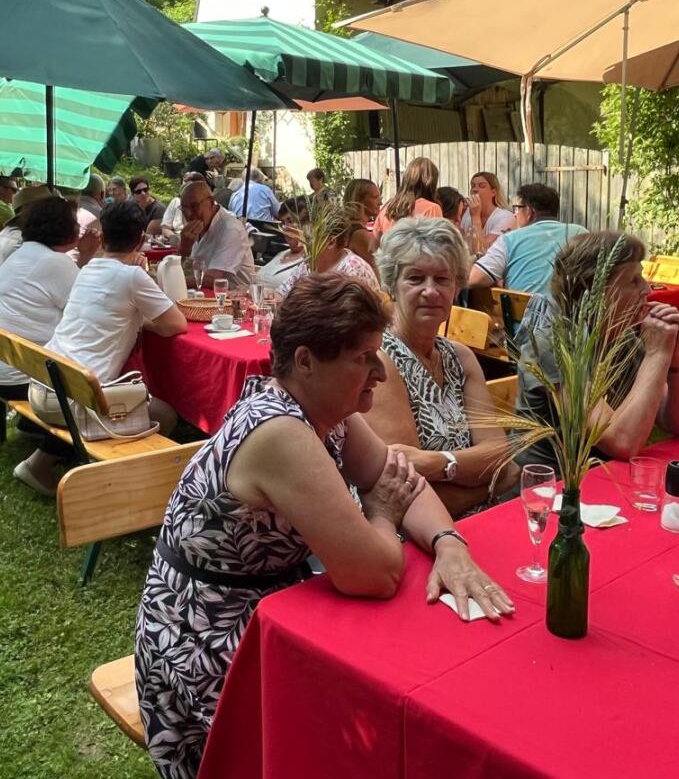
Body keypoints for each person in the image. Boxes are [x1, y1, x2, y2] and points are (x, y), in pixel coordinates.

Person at [135, 274, 513, 779]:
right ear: (306, 361)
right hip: (207, 645)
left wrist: (449, 544)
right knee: (368, 719)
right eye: (363, 358)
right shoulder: (280, 433)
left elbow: (405, 482)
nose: (380, 372)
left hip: (274, 609)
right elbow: (373, 575)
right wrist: (381, 513)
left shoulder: (327, 412)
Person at [14, 202, 187, 493]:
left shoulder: (87, 268)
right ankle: (122, 487)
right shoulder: (133, 276)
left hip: (42, 387)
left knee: (96, 396)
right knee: (165, 415)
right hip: (72, 398)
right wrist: (141, 319)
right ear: (140, 239)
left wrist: (133, 318)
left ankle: (38, 463)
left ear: (103, 238)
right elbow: (176, 324)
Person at [365, 218, 519, 517]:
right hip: (413, 538)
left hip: (479, 521)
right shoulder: (380, 360)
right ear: (391, 286)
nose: (430, 291)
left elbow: (498, 455)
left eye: (442, 279)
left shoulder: (460, 357)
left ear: (456, 286)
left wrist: (436, 463)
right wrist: (488, 480)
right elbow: (407, 498)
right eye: (415, 278)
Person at [514, 231, 679, 473]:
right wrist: (657, 356)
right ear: (593, 293)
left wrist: (675, 361)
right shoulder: (554, 346)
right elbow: (621, 441)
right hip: (553, 491)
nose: (647, 290)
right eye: (633, 281)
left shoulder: (625, 339)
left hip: (604, 479)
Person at [0, 199, 82, 398]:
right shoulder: (56, 262)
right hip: (17, 378)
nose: (79, 227)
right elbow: (87, 312)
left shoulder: (23, 253)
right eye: (75, 221)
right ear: (62, 227)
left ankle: (31, 425)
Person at [468, 183, 587, 294]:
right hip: (570, 314)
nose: (514, 214)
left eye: (517, 208)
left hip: (523, 315)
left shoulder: (510, 239)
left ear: (529, 211)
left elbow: (474, 279)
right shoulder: (581, 233)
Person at [274, 204, 380, 296]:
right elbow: (283, 292)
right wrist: (272, 297)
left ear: (330, 242)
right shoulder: (309, 264)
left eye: (308, 239)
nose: (301, 243)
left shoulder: (353, 271)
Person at [176, 178, 255, 287]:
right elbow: (184, 267)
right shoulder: (197, 223)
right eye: (184, 208)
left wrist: (173, 282)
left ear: (211, 202)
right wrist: (184, 248)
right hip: (200, 297)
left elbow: (213, 280)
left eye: (194, 206)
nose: (189, 214)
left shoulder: (230, 229)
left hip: (233, 298)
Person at [374, 157, 442, 236]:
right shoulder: (432, 209)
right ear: (432, 183)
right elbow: (435, 245)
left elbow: (373, 244)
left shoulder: (387, 208)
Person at [461, 171, 517, 253]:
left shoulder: (506, 217)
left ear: (493, 192)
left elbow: (481, 250)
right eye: (473, 186)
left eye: (482, 186)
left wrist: (475, 217)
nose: (475, 189)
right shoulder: (466, 214)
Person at [256, 203, 306, 290]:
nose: (285, 227)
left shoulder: (309, 261)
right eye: (283, 223)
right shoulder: (282, 253)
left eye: (290, 221)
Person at [344, 177, 382, 267]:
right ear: (359, 200)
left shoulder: (347, 227)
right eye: (375, 197)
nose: (380, 202)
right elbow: (381, 271)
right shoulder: (361, 235)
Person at [158, 171, 203, 242]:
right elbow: (165, 227)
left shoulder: (205, 205)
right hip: (176, 239)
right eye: (185, 181)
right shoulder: (176, 201)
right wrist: (174, 238)